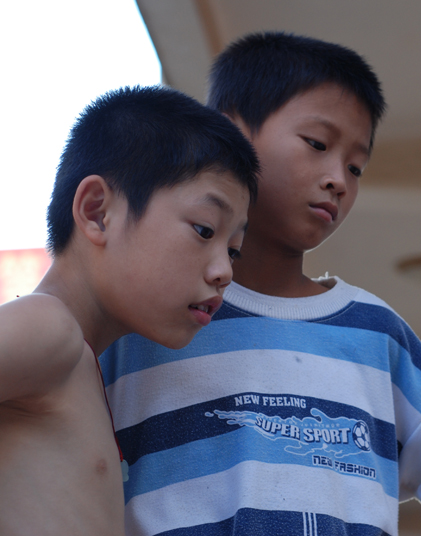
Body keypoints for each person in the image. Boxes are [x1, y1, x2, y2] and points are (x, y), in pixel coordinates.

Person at [101, 33, 421, 536]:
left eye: (356, 167)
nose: (339, 180)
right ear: (230, 132)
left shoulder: (376, 334)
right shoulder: (142, 323)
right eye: (317, 144)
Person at [0, 85, 259, 536]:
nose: (224, 272)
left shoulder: (81, 365)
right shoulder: (50, 327)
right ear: (98, 212)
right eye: (204, 230)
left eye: (233, 250)